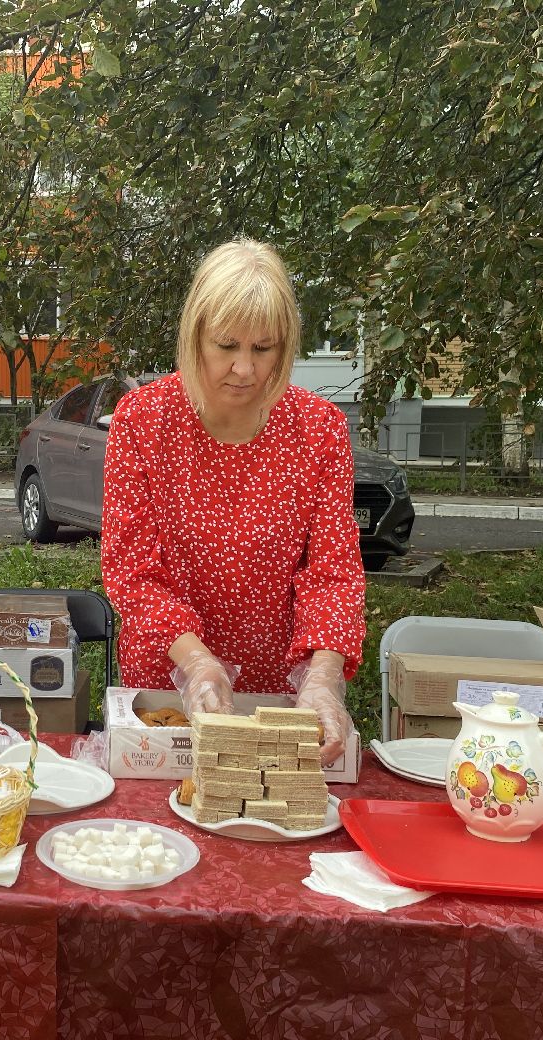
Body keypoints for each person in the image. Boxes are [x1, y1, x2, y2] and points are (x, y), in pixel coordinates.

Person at [100, 239, 365, 766]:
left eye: (263, 349)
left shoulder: (319, 430)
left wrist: (323, 676)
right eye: (227, 346)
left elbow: (333, 573)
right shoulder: (143, 421)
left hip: (283, 693)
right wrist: (197, 663)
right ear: (195, 337)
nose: (244, 369)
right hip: (169, 682)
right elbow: (131, 569)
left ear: (284, 347)